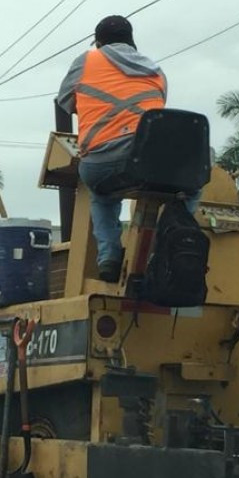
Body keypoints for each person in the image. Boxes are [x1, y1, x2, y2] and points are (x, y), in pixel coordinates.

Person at [57, 15, 198, 283]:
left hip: (99, 161)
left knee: (102, 194)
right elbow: (154, 111)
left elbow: (66, 101)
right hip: (149, 160)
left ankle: (109, 257)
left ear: (98, 42)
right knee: (191, 186)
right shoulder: (156, 70)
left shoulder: (87, 60)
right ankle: (169, 245)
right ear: (131, 41)